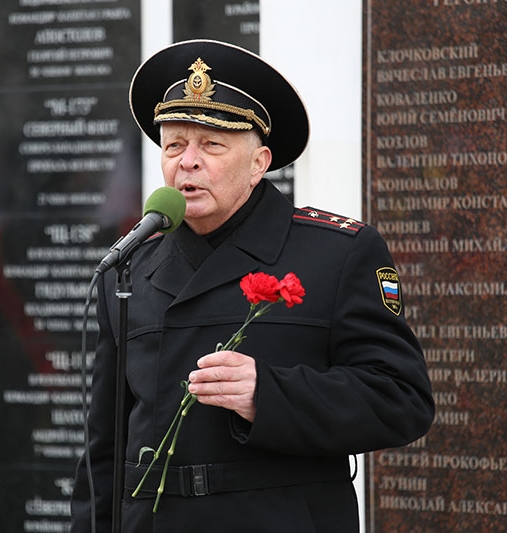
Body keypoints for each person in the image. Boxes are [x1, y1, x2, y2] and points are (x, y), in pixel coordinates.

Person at [70, 39, 434, 532]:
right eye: (174, 144)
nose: (187, 161)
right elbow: (105, 449)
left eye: (212, 145)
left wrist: (269, 393)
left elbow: (402, 400)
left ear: (259, 162)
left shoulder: (338, 254)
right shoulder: (130, 266)